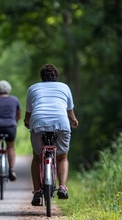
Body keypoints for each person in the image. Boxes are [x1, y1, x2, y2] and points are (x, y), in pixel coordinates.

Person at [24, 64, 78, 205]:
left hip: (38, 122)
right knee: (62, 157)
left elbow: (27, 116)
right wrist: (74, 121)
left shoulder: (33, 88)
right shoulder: (65, 87)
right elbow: (70, 113)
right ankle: (62, 187)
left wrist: (27, 122)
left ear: (41, 77)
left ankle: (36, 192)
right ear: (57, 76)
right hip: (61, 122)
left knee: (36, 158)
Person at [0, 80, 21, 182]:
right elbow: (18, 116)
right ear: (8, 90)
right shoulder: (15, 99)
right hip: (10, 126)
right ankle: (12, 170)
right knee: (10, 146)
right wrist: (14, 121)